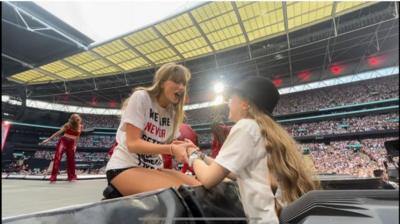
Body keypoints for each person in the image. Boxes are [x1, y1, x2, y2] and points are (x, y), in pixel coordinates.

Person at [187, 76, 320, 223]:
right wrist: (202, 157)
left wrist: (191, 155)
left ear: (245, 104)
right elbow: (235, 172)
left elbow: (208, 179)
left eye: (231, 98)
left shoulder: (245, 126)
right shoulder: (263, 129)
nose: (228, 103)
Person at [105, 62, 200, 197]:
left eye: (183, 84)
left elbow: (168, 145)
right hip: (124, 167)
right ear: (162, 83)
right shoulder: (141, 97)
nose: (181, 87)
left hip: (154, 168)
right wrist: (171, 149)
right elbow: (133, 144)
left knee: (198, 188)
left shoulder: (173, 114)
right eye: (176, 81)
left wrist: (186, 148)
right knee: (181, 194)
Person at [40, 113, 83, 183]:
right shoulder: (68, 125)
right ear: (72, 119)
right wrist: (48, 139)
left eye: (78, 117)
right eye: (75, 117)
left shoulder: (80, 126)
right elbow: (58, 132)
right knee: (57, 158)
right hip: (63, 142)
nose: (77, 118)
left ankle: (71, 177)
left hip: (71, 144)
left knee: (71, 161)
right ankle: (53, 178)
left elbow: (77, 137)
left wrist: (75, 146)